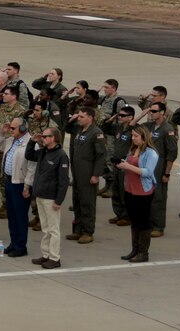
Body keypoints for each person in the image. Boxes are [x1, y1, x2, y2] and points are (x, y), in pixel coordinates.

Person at [25, 126, 69, 269]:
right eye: (42, 136)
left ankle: (55, 258)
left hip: (51, 197)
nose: (42, 139)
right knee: (45, 228)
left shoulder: (61, 155)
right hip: (40, 195)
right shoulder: (43, 152)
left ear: (54, 138)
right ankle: (45, 255)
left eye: (45, 136)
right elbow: (29, 155)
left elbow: (63, 181)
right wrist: (32, 141)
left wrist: (59, 200)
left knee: (53, 229)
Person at [115, 125, 159, 263]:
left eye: (135, 136)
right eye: (132, 136)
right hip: (130, 189)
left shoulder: (151, 153)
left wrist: (128, 166)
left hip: (143, 192)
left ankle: (143, 253)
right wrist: (123, 165)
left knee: (143, 222)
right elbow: (131, 167)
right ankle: (135, 249)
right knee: (134, 221)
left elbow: (147, 172)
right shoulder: (133, 149)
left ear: (144, 137)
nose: (132, 138)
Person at [0, 116, 34, 257]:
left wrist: (27, 186)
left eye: (13, 128)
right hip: (9, 180)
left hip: (21, 183)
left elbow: (32, 167)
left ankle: (21, 246)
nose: (11, 130)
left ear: (23, 128)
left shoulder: (31, 142)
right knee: (11, 215)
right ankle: (14, 242)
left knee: (20, 216)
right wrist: (1, 131)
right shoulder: (11, 140)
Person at [66, 108, 106, 245]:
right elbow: (67, 127)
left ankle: (88, 232)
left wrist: (96, 175)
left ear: (90, 118)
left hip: (88, 172)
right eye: (79, 116)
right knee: (77, 201)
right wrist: (73, 117)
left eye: (82, 116)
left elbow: (101, 156)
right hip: (77, 171)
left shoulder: (96, 133)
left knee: (87, 202)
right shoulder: (79, 129)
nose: (79, 119)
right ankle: (77, 229)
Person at [144, 102, 177, 237]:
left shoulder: (167, 129)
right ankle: (149, 223)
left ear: (162, 113)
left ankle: (158, 226)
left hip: (159, 164)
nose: (151, 113)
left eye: (154, 111)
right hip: (148, 164)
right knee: (147, 195)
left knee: (158, 197)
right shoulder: (150, 126)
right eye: (150, 111)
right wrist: (143, 113)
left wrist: (166, 173)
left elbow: (172, 153)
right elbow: (132, 126)